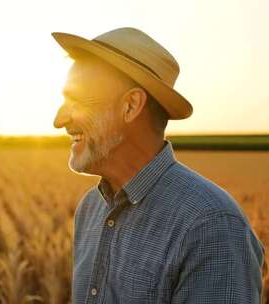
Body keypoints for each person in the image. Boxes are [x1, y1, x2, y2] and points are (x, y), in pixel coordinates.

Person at [52, 28, 264, 303]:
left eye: (76, 100)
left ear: (130, 106)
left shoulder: (211, 226)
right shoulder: (90, 209)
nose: (58, 120)